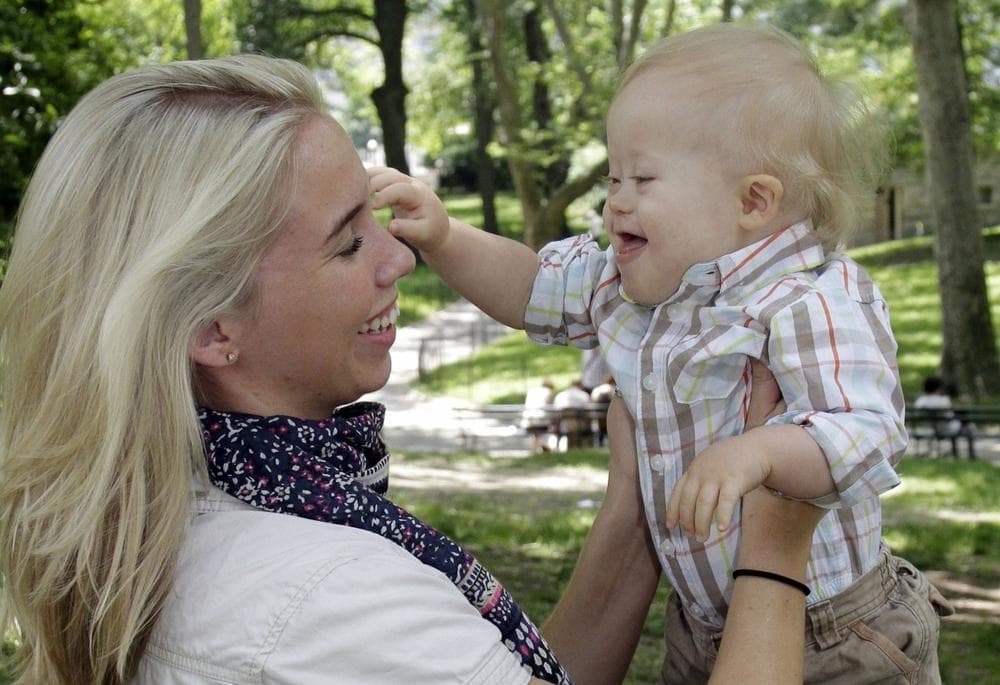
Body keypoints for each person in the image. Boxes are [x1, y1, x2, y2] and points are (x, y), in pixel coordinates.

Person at [0, 53, 834, 685]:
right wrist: (777, 540)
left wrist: (635, 493)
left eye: (379, 217)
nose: (398, 258)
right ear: (215, 328)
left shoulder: (200, 501)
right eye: (347, 241)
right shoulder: (330, 596)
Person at [369, 22, 950, 684]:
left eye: (642, 177)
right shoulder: (628, 283)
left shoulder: (807, 297)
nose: (616, 198)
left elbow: (865, 433)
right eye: (614, 175)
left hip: (841, 630)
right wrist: (446, 238)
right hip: (701, 624)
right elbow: (531, 287)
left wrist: (759, 453)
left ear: (753, 201)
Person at [913, 375, 975, 457]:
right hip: (946, 429)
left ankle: (955, 454)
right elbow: (949, 416)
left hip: (927, 429)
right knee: (968, 427)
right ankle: (971, 455)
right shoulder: (943, 401)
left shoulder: (920, 402)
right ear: (938, 388)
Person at [553, 380, 593, 450]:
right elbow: (589, 410)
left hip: (563, 425)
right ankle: (580, 447)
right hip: (579, 425)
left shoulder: (560, 395)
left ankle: (571, 448)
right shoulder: (583, 395)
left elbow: (555, 411)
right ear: (580, 386)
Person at [522, 379, 556, 453]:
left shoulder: (532, 391)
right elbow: (552, 407)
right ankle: (547, 448)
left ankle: (536, 450)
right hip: (542, 419)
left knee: (536, 435)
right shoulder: (549, 392)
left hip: (529, 419)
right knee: (544, 434)